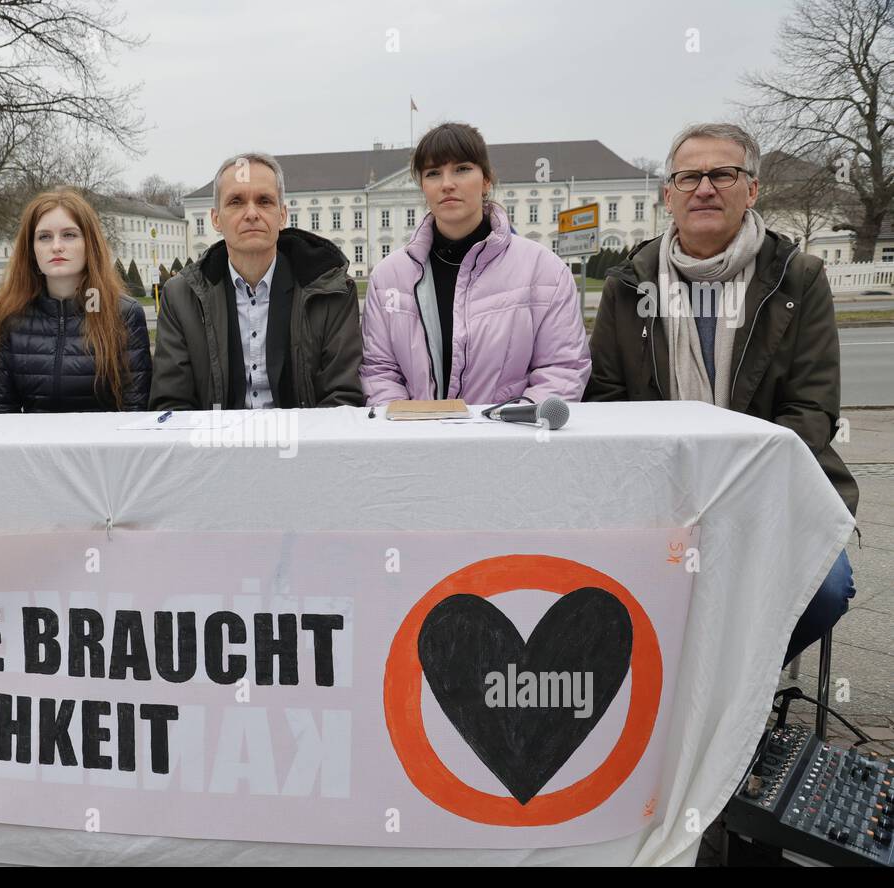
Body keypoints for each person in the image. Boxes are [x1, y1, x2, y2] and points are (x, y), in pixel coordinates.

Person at [586, 122, 857, 663]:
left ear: (752, 189)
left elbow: (812, 410)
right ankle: (679, 690)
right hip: (661, 497)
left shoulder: (796, 279)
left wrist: (732, 487)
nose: (704, 188)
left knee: (827, 590)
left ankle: (736, 687)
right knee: (600, 587)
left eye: (723, 174)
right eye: (688, 177)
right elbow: (605, 405)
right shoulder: (629, 284)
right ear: (669, 195)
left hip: (773, 493)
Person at [360, 122, 589, 407]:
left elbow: (562, 369)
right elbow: (379, 373)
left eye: (462, 169)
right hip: (416, 445)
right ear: (423, 187)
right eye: (433, 173)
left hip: (509, 445)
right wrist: (408, 434)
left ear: (486, 180)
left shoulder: (544, 271)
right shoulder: (388, 277)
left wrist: (505, 430)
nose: (447, 183)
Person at [151, 151, 362, 410]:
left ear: (282, 215)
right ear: (216, 219)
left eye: (264, 201)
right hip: (215, 446)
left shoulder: (330, 291)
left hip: (304, 444)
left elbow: (342, 398)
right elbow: (172, 404)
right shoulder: (181, 297)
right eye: (236, 202)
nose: (251, 213)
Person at [0, 189, 150, 413]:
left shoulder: (123, 314)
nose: (56, 246)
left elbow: (134, 411)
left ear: (89, 244)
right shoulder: (8, 318)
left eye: (69, 235)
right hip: (32, 447)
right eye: (44, 236)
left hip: (103, 447)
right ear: (31, 249)